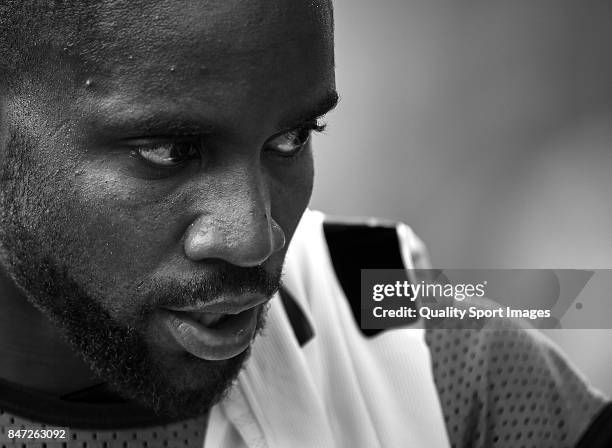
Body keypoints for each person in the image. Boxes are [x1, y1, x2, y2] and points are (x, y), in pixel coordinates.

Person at [0, 1, 609, 447]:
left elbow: (566, 296)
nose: (254, 238)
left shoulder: (408, 335)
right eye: (167, 152)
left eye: (291, 138)